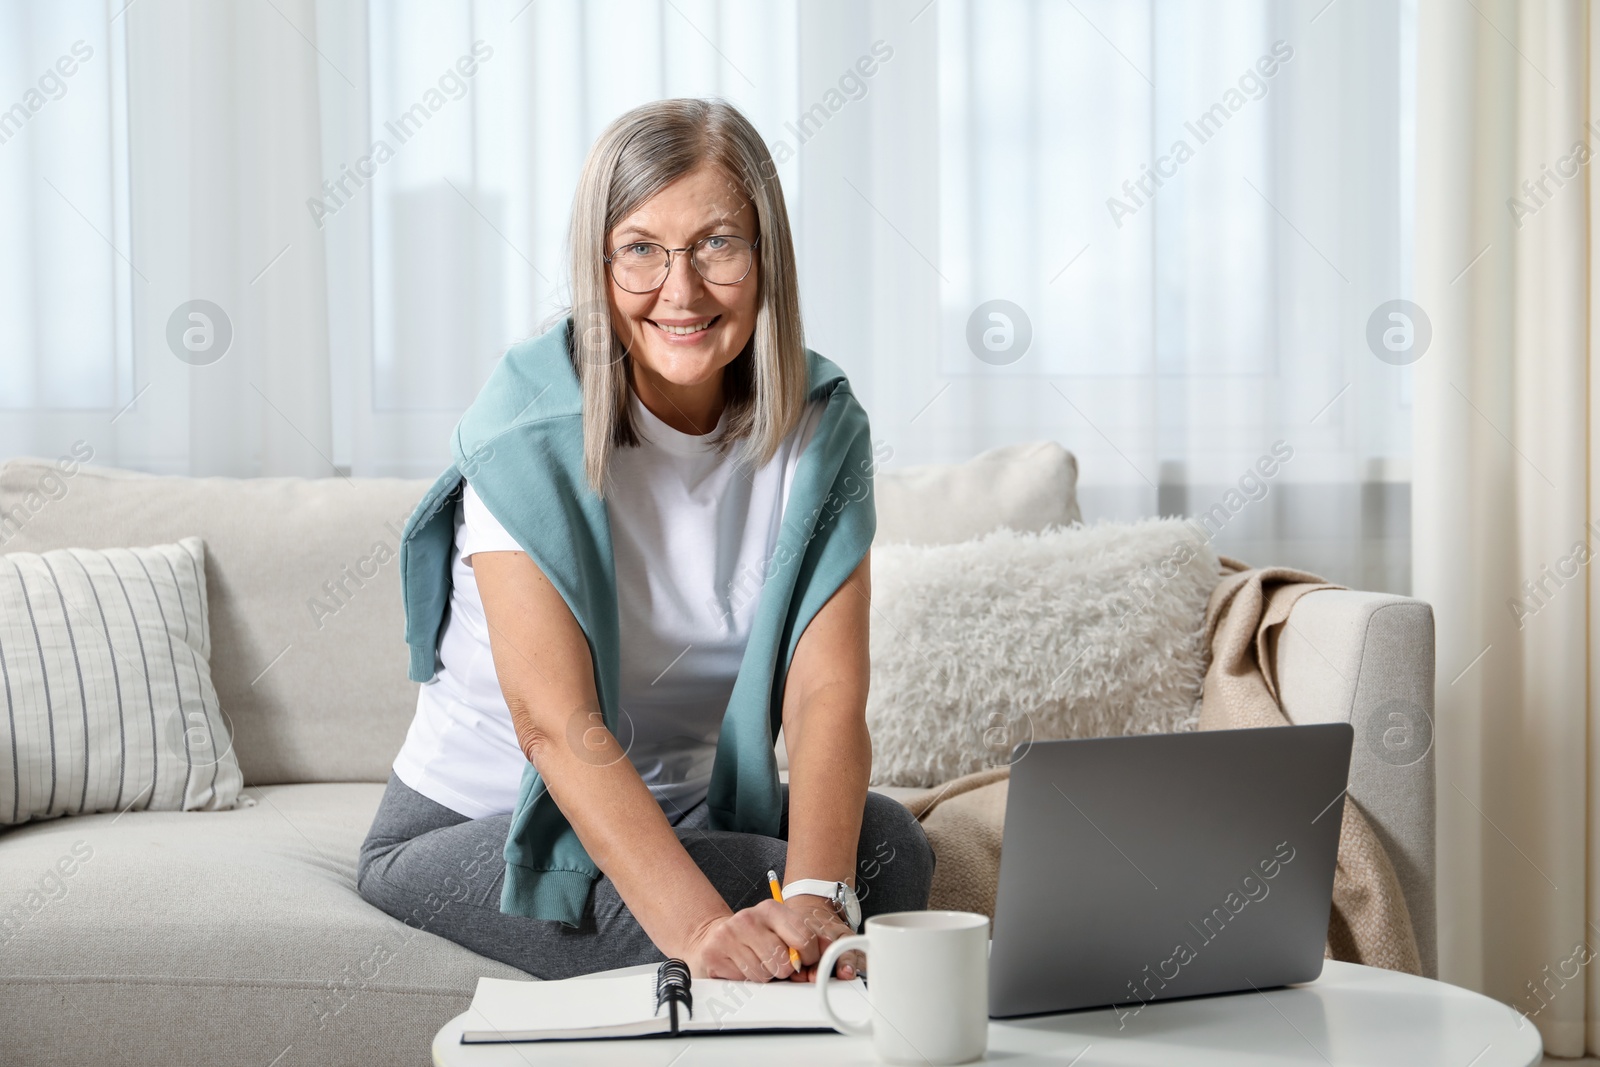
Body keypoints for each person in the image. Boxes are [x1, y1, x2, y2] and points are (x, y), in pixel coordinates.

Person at [356, 97, 935, 984]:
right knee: (766, 907)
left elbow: (825, 692)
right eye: (641, 250)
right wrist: (705, 926)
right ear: (600, 265)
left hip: (692, 811)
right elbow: (556, 725)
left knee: (889, 847)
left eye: (717, 244)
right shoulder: (526, 432)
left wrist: (818, 893)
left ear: (765, 256)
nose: (682, 291)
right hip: (482, 823)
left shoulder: (820, 430)